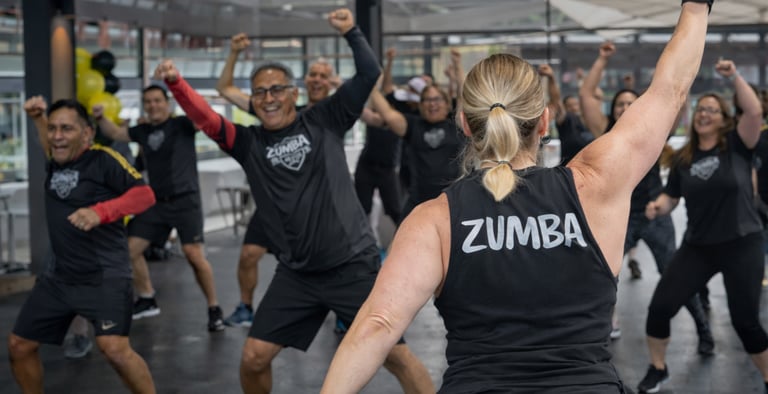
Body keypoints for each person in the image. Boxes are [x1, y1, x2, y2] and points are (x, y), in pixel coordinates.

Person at [320, 2, 711, 392]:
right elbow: (669, 90)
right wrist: (696, 7)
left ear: (463, 124)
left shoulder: (434, 220)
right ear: (543, 120)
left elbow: (378, 325)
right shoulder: (595, 184)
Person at [155, 8, 435, 393]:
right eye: (259, 92)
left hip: (351, 266)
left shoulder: (325, 118)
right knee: (253, 358)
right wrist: (176, 83)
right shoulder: (248, 143)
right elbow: (206, 120)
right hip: (298, 274)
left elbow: (369, 73)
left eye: (276, 89)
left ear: (293, 93)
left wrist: (352, 31)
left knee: (396, 356)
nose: (268, 98)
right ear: (252, 101)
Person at [10, 97, 156, 393]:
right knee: (20, 345)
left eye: (66, 129)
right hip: (60, 277)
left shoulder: (102, 160)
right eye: (53, 129)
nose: (57, 136)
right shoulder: (57, 160)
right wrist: (38, 119)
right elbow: (50, 144)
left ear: (87, 133)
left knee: (115, 350)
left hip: (104, 276)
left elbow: (145, 196)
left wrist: (100, 212)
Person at [639, 58, 768, 393]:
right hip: (699, 247)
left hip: (742, 243)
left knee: (745, 322)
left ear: (724, 118)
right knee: (660, 308)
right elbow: (672, 197)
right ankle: (658, 368)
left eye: (712, 109)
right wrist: (657, 207)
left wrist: (735, 76)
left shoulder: (738, 145)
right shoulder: (684, 159)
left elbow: (753, 112)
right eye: (700, 109)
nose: (704, 113)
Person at [580, 40, 712, 349]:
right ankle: (595, 336)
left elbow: (679, 100)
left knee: (674, 274)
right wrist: (601, 60)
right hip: (618, 216)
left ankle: (704, 331)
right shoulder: (605, 133)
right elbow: (586, 95)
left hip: (653, 212)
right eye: (620, 105)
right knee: (601, 276)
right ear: (612, 111)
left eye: (631, 103)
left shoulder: (651, 134)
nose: (626, 108)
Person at [215, 32, 343, 328]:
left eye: (324, 76)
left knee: (331, 262)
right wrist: (234, 52)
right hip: (275, 203)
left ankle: (344, 313)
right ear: (300, 85)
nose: (317, 80)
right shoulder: (278, 108)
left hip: (319, 204)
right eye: (312, 74)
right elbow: (225, 88)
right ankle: (246, 307)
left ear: (331, 82)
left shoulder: (333, 114)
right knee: (248, 255)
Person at [94, 85, 225, 332]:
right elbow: (115, 132)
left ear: (167, 103)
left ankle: (214, 308)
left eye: (157, 100)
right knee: (128, 249)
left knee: (194, 255)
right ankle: (146, 297)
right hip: (155, 202)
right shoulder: (142, 130)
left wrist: (179, 87)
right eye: (148, 101)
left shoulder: (182, 125)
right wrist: (101, 117)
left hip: (185, 200)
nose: (153, 105)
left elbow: (203, 115)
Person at [538, 63, 594, 165]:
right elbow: (556, 100)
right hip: (569, 168)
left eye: (576, 104)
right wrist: (551, 78)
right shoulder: (566, 120)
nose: (574, 107)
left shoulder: (589, 121)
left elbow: (589, 97)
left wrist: (582, 80)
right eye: (570, 105)